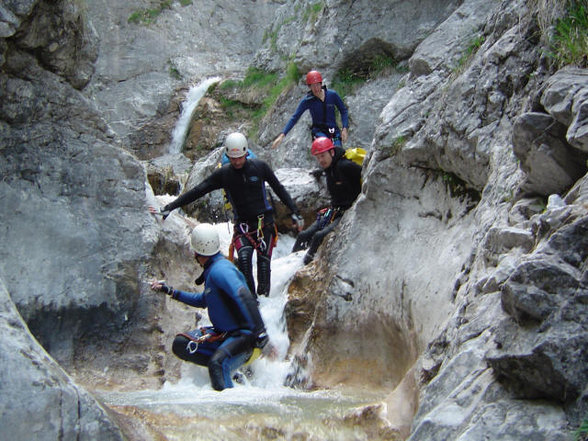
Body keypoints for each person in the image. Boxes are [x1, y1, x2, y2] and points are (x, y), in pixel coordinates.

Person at [151, 132, 303, 297]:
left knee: (263, 266)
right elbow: (198, 190)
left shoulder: (260, 167)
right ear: (227, 155)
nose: (237, 162)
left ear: (246, 153)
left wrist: (295, 211)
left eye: (239, 157)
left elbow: (279, 188)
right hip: (243, 226)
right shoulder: (224, 174)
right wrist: (171, 206)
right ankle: (253, 303)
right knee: (244, 263)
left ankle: (264, 300)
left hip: (263, 224)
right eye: (233, 158)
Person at [150, 223, 269, 391]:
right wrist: (170, 291)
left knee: (216, 364)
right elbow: (203, 300)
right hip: (226, 335)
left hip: (245, 338)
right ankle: (231, 371)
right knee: (181, 344)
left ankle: (228, 393)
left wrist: (260, 331)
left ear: (197, 251)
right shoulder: (214, 269)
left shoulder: (221, 270)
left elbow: (243, 294)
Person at [292, 137, 362, 264]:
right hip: (334, 211)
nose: (320, 160)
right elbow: (328, 171)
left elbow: (366, 173)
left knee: (319, 236)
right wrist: (320, 172)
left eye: (322, 156)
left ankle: (304, 265)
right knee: (303, 235)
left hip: (348, 212)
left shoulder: (345, 166)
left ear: (332, 152)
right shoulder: (329, 167)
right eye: (318, 157)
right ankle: (290, 264)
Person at [272, 70, 349, 149]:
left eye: (317, 85)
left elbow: (343, 111)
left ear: (321, 84)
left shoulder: (332, 95)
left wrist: (344, 128)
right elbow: (294, 118)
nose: (316, 89)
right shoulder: (307, 101)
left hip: (333, 132)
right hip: (319, 133)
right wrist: (282, 135)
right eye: (313, 86)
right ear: (309, 87)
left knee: (338, 151)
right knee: (325, 148)